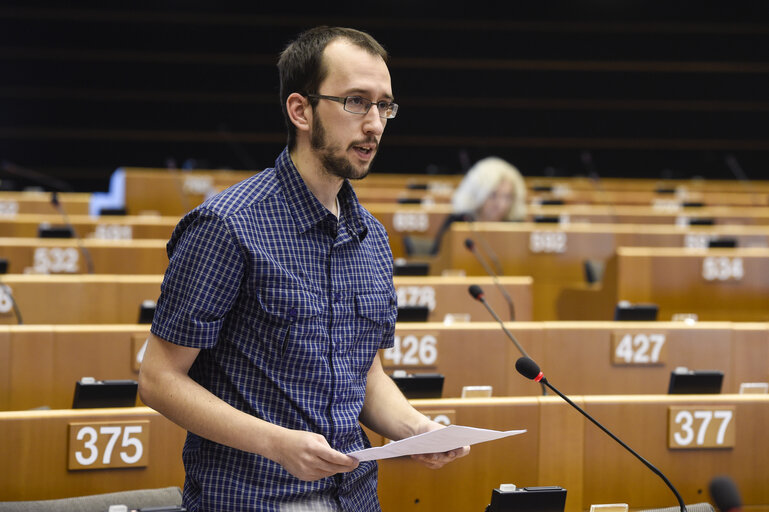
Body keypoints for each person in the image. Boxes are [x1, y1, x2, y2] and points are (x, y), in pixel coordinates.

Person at [138, 26, 468, 512]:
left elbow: (366, 376)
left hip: (354, 497)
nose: (374, 124)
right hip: (253, 498)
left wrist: (417, 429)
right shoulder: (228, 225)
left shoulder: (370, 237)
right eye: (356, 102)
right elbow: (159, 379)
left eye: (385, 106)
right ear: (301, 110)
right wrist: (278, 443)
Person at [451, 156, 527, 222]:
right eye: (493, 195)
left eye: (507, 197)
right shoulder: (458, 222)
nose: (501, 205)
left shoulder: (517, 227)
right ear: (476, 194)